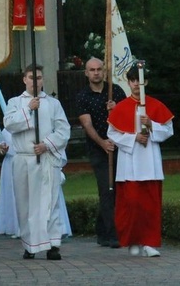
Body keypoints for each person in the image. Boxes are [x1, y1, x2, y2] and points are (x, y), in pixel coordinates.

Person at [3, 64, 70, 260]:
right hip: (24, 159)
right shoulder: (15, 102)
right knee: (25, 204)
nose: (36, 81)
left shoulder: (53, 104)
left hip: (46, 158)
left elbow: (63, 130)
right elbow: (9, 124)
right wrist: (28, 109)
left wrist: (47, 144)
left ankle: (53, 244)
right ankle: (30, 244)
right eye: (32, 77)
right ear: (25, 79)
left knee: (49, 202)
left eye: (39, 78)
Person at [107, 63, 174, 258]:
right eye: (133, 80)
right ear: (128, 83)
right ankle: (133, 240)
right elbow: (112, 132)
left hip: (150, 161)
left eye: (140, 80)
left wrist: (151, 125)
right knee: (132, 204)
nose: (137, 84)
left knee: (150, 205)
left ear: (146, 82)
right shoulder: (121, 107)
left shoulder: (155, 105)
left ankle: (150, 242)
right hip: (130, 163)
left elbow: (169, 130)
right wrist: (133, 137)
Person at [75, 57, 127, 248]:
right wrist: (102, 143)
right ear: (86, 73)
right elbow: (87, 125)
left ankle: (102, 231)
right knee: (107, 190)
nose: (96, 73)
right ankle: (112, 235)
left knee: (118, 190)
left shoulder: (116, 91)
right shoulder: (82, 96)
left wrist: (117, 109)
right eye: (92, 70)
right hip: (98, 149)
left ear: (104, 71)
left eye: (99, 69)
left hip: (119, 147)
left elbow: (128, 117)